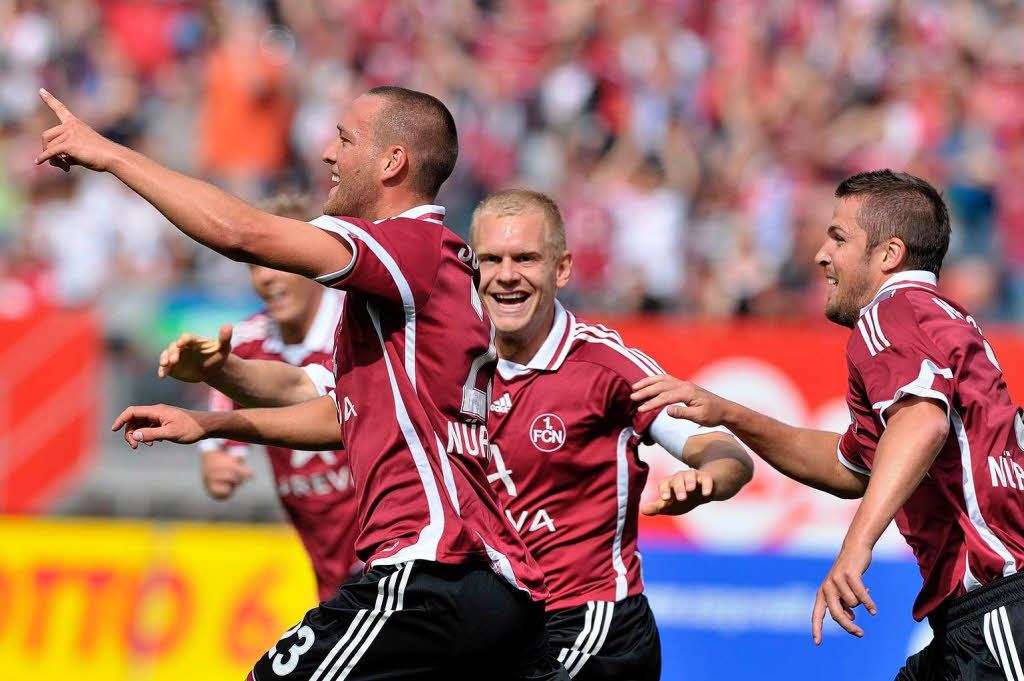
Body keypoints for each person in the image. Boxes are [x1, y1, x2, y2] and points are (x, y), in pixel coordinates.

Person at [38, 86, 565, 680]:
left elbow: (240, 234)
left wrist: (110, 155)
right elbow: (333, 410)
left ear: (392, 162)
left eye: (344, 138)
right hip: (489, 584)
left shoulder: (409, 246)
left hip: (429, 573)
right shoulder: (423, 283)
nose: (327, 154)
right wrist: (212, 418)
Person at [631, 170, 1024, 681]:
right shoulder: (936, 317)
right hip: (978, 615)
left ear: (889, 254)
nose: (821, 255)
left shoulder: (890, 314)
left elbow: (922, 424)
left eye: (839, 237)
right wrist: (728, 412)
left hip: (999, 605)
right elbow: (852, 468)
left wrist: (854, 548)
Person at [472, 189, 754, 680]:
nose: (507, 275)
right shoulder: (453, 361)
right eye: (491, 259)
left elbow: (729, 454)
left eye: (526, 258)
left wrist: (706, 481)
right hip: (496, 623)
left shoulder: (606, 366)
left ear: (562, 269)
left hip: (593, 621)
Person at [162, 195, 358, 602]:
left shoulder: (360, 327)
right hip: (326, 569)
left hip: (390, 546)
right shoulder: (243, 344)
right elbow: (219, 467)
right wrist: (216, 462)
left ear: (310, 262)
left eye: (277, 261)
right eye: (255, 264)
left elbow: (292, 386)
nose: (266, 277)